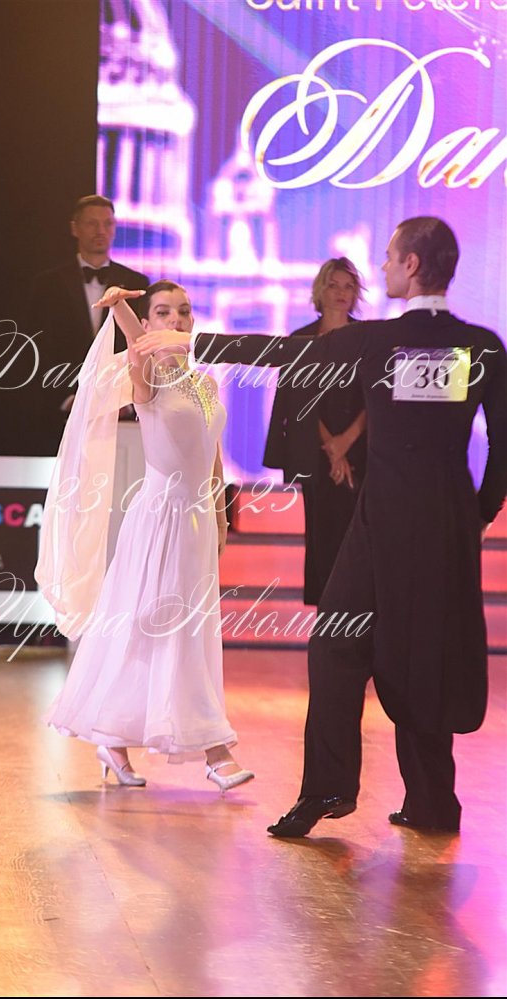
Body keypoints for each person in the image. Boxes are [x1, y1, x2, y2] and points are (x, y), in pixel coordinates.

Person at [134, 217, 507, 834]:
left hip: (380, 523)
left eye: (390, 257)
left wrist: (190, 342)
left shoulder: (377, 340)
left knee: (336, 646)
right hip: (443, 528)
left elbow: (284, 353)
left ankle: (337, 790)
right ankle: (429, 801)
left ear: (412, 266)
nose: (382, 267)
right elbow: (503, 443)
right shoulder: (481, 344)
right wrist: (479, 514)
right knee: (424, 655)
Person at [35, 279, 255, 791]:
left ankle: (115, 741)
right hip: (159, 519)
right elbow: (139, 346)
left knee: (182, 631)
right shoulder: (147, 376)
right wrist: (121, 309)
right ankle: (215, 751)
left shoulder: (205, 384)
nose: (176, 320)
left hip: (195, 522)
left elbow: (213, 454)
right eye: (163, 313)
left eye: (184, 311)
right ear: (150, 323)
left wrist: (221, 517)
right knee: (148, 626)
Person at [263, 257, 367, 604]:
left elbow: (375, 399)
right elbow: (297, 401)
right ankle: (327, 613)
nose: (341, 293)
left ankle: (356, 611)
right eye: (333, 285)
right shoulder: (301, 340)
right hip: (315, 451)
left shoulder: (368, 339)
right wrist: (332, 447)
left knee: (358, 534)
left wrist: (345, 442)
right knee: (322, 532)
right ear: (320, 290)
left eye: (348, 286)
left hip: (362, 449)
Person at [30, 195, 149, 450]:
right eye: (92, 223)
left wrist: (127, 400)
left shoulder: (137, 283)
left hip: (122, 411)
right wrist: (65, 397)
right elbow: (39, 346)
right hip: (61, 409)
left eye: (108, 224)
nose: (100, 231)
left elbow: (139, 344)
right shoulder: (48, 284)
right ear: (75, 228)